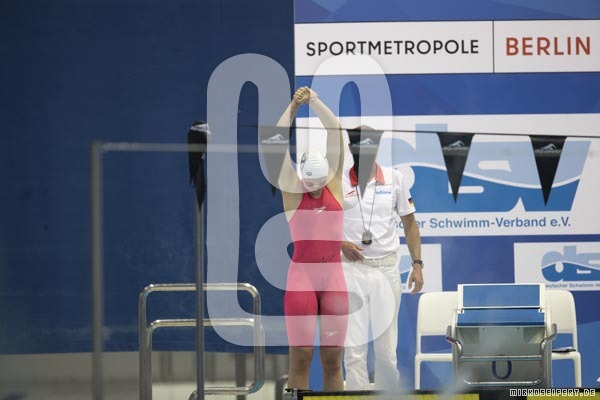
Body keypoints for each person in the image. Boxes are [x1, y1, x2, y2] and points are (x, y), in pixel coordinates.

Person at [275, 86, 348, 392]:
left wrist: (315, 101)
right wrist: (293, 106)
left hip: (334, 276)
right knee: (301, 358)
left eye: (319, 183)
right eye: (311, 184)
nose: (316, 189)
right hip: (302, 277)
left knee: (333, 360)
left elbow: (336, 132)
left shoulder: (334, 184)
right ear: (302, 177)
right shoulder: (293, 190)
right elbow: (275, 142)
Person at [341, 125, 424, 390]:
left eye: (370, 145)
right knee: (354, 350)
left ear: (376, 147)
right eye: (360, 146)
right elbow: (321, 223)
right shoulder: (338, 180)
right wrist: (339, 243)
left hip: (386, 271)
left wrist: (417, 264)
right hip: (351, 270)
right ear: (351, 148)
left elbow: (410, 225)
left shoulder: (394, 178)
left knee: (386, 350)